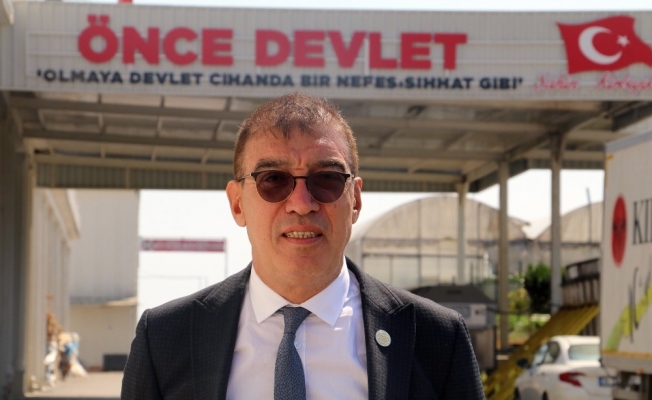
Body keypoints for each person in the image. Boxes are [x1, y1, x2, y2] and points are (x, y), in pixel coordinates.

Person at [121, 92, 485, 400]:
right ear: (238, 204)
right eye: (273, 180)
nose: (301, 203)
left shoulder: (437, 339)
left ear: (355, 201)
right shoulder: (164, 339)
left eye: (326, 179)